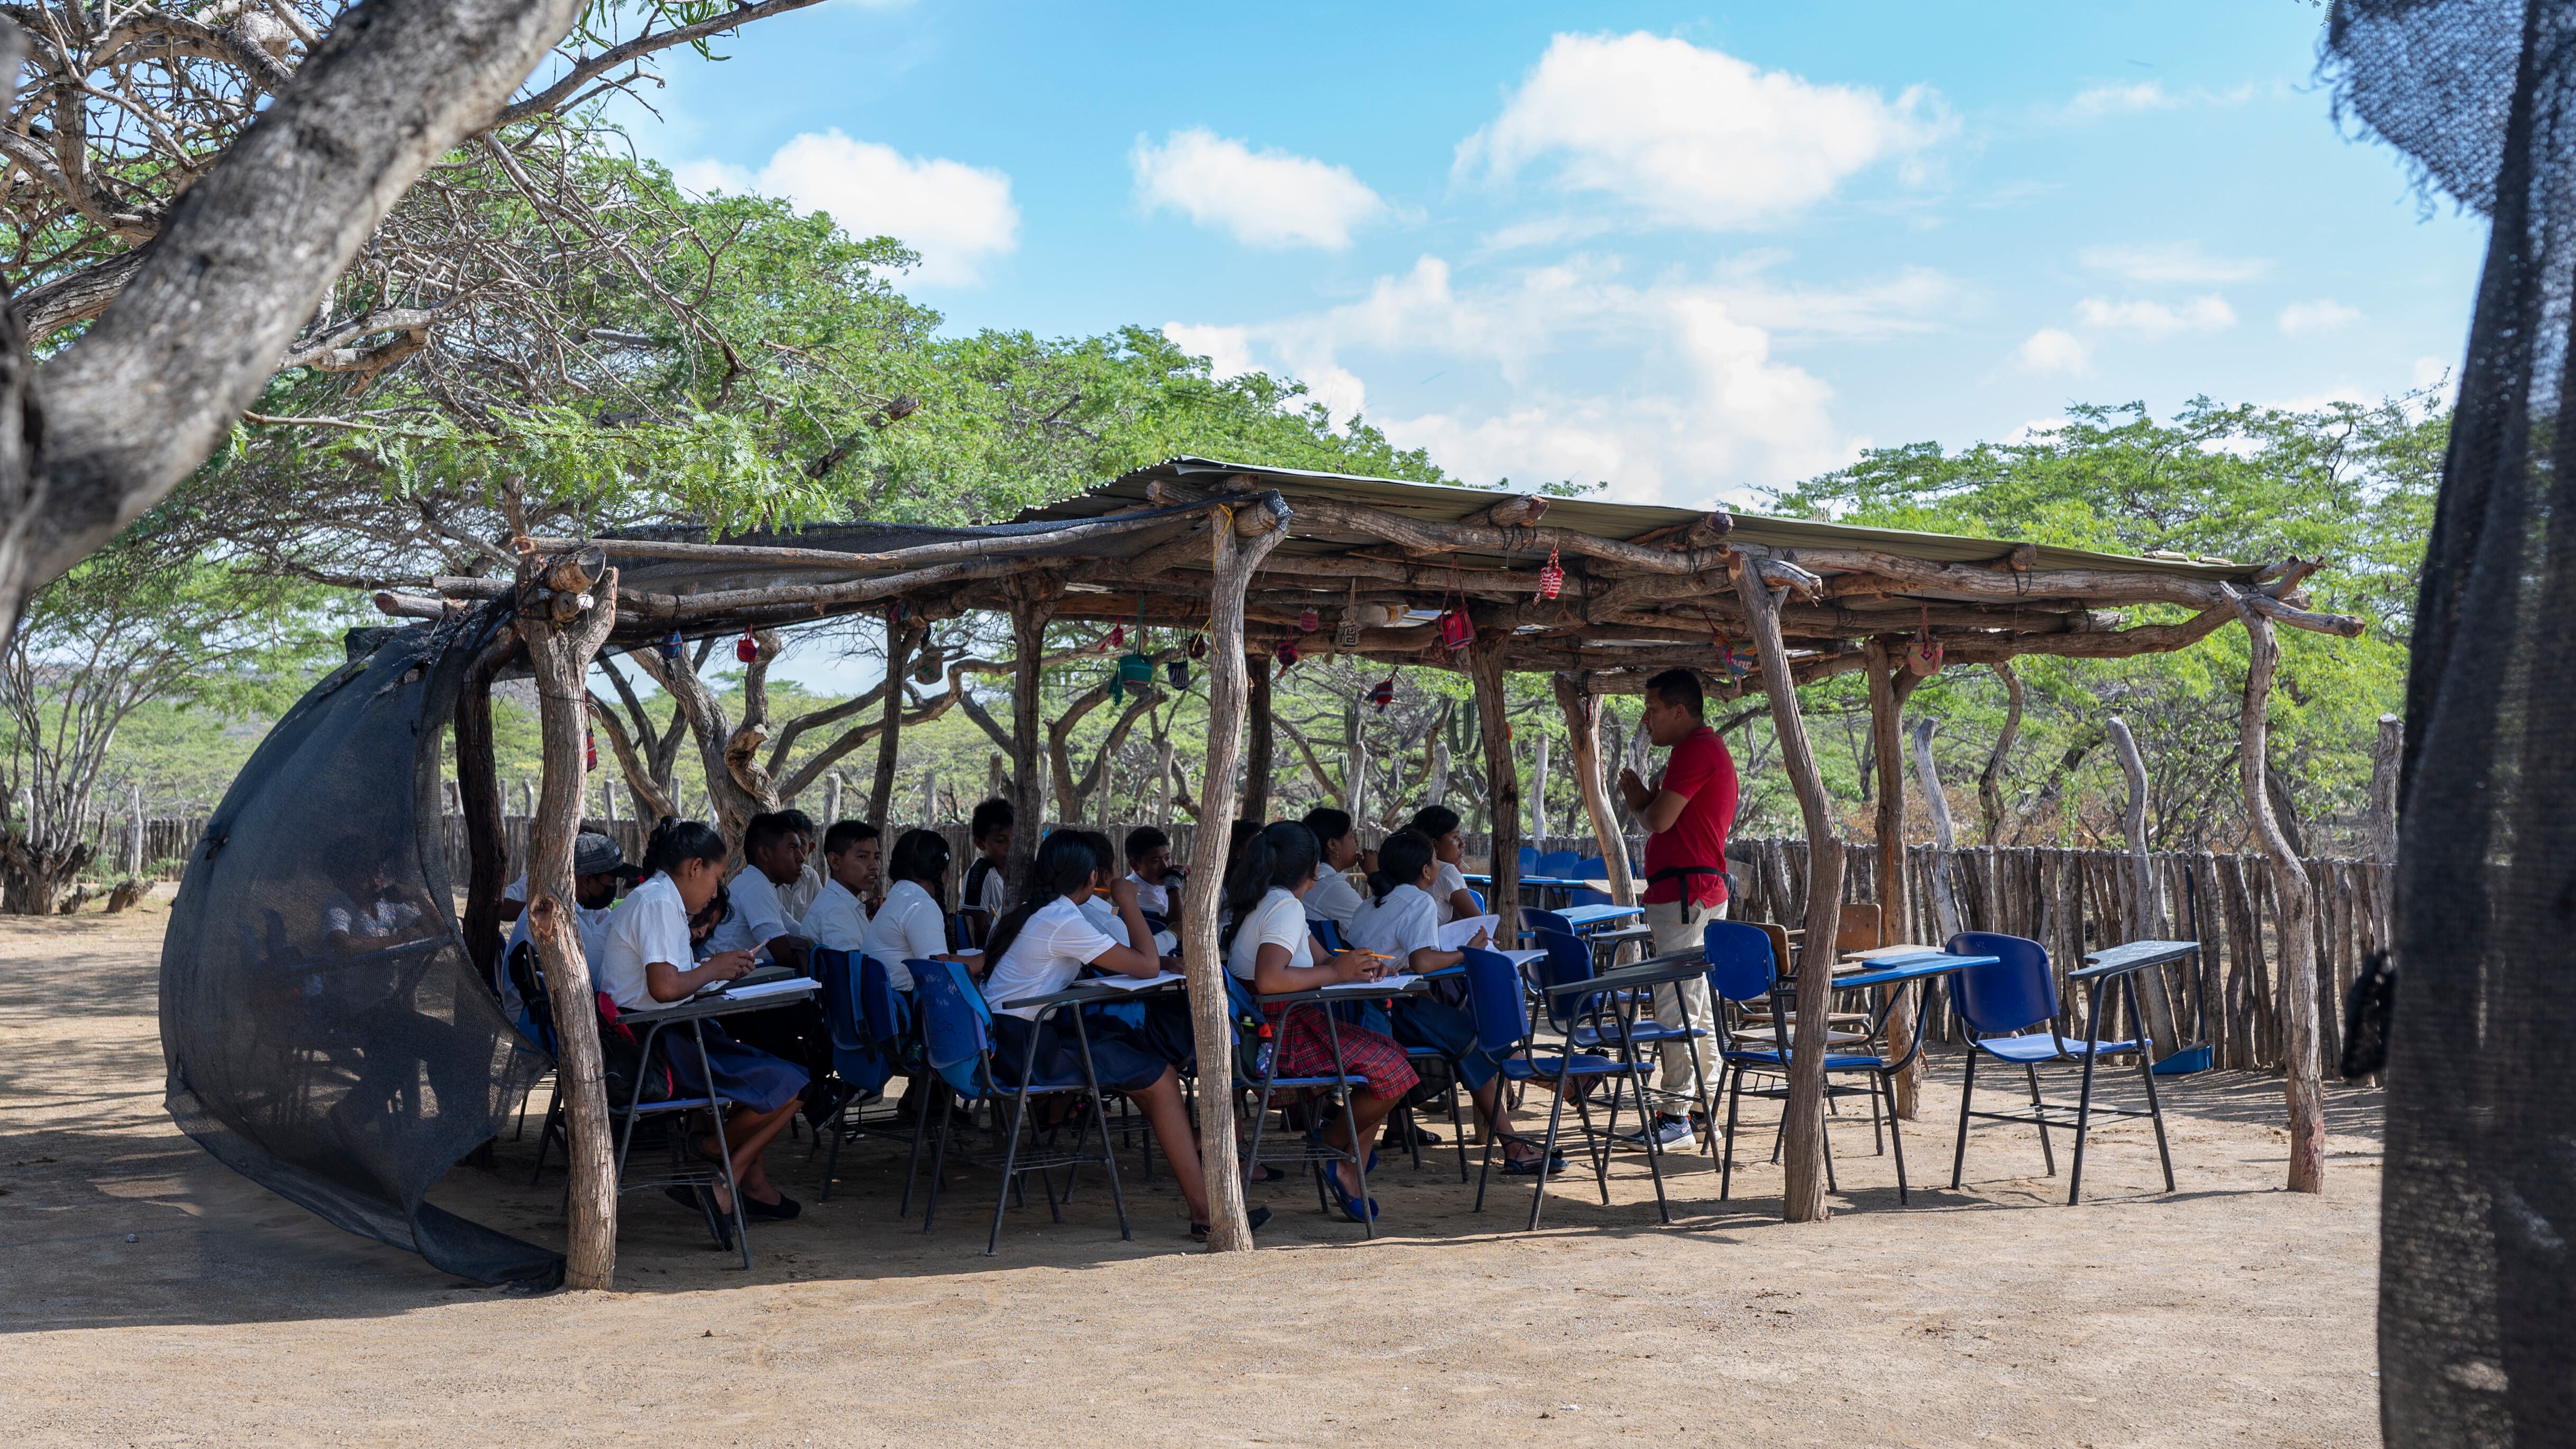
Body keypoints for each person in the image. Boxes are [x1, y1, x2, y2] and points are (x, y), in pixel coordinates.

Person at [979, 832, 1257, 1240]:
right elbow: (1145, 967)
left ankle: (1193, 1170)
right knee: (1160, 1078)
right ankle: (1206, 1213)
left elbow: (1127, 961)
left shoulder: (1037, 912)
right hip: (1027, 1048)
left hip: (1011, 1039)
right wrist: (1127, 900)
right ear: (1093, 877)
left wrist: (1159, 959)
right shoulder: (1062, 919)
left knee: (1137, 1054)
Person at [597, 817, 807, 1229]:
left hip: (663, 1032)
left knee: (775, 1078)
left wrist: (714, 972)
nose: (716, 890)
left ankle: (726, 1170)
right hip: (657, 1046)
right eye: (717, 876)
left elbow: (671, 981)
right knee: (795, 1085)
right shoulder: (658, 902)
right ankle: (716, 1156)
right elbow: (663, 986)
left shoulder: (661, 899)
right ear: (695, 867)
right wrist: (713, 969)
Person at [1225, 819, 1415, 1225]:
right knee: (1393, 1069)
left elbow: (1323, 958)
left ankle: (1347, 1151)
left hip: (1285, 1027)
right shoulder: (1285, 907)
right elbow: (1269, 978)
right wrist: (1335, 973)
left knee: (1391, 1056)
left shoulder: (1271, 900)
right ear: (1313, 867)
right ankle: (1336, 1147)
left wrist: (1358, 966)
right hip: (1280, 1038)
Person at [1348, 828, 1561, 1175]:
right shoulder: (1419, 901)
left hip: (1361, 1008)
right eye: (1435, 861)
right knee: (1473, 1040)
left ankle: (1519, 1136)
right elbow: (1422, 962)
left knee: (1468, 1036)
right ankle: (1517, 1139)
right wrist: (1467, 951)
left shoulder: (1368, 905)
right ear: (1427, 871)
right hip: (1393, 1009)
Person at [1616, 667, 1738, 1147]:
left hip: (1686, 894)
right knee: (1695, 1003)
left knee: (1676, 1003)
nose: (1646, 720)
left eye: (1652, 709)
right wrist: (1647, 804)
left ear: (1679, 710)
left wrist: (1639, 804)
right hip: (1695, 891)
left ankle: (1674, 1116)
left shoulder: (1694, 750)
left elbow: (1660, 821)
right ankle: (1701, 1108)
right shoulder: (1701, 749)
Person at [706, 812, 838, 1126]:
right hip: (727, 1001)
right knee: (812, 1017)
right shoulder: (755, 887)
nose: (801, 857)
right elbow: (784, 952)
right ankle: (811, 1094)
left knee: (802, 1019)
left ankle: (809, 1093)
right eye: (792, 849)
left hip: (742, 993)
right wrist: (820, 958)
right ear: (765, 853)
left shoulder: (760, 885)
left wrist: (815, 950)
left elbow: (802, 936)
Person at [497, 831, 632, 1024]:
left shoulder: (578, 907)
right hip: (536, 1020)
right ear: (587, 881)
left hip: (545, 1010)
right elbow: (590, 979)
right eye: (610, 882)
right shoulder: (557, 916)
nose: (613, 888)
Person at [864, 828, 980, 991]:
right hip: (904, 1004)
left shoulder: (898, 897)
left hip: (885, 1000)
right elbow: (940, 971)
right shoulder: (920, 906)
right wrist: (989, 958)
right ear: (942, 871)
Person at [797, 820, 880, 954]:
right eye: (863, 857)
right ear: (835, 861)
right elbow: (852, 964)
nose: (874, 866)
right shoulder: (836, 909)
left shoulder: (839, 903)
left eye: (877, 857)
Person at [1405, 805, 1482, 926]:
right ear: (1434, 844)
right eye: (1455, 837)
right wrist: (1456, 877)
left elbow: (1451, 921)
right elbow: (1482, 925)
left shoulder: (1407, 866)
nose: (1462, 844)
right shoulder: (1447, 870)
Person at [1299, 807, 1366, 931]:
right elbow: (1375, 930)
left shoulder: (1310, 877)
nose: (1356, 842)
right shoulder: (1331, 886)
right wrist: (1377, 875)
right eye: (1351, 835)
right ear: (1333, 845)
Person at [963, 797, 1014, 919]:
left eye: (1014, 838)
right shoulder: (981, 875)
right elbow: (976, 928)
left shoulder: (1020, 870)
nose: (1010, 847)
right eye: (1001, 841)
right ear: (980, 843)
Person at [1122, 825, 1182, 921]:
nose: (1165, 866)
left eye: (1167, 858)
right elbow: (1177, 924)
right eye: (1156, 861)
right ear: (1134, 865)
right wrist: (1174, 885)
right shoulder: (1136, 894)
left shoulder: (1157, 880)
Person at [775, 808, 825, 922]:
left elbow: (822, 917)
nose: (796, 853)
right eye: (791, 846)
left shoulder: (811, 877)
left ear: (810, 849)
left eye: (801, 844)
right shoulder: (767, 879)